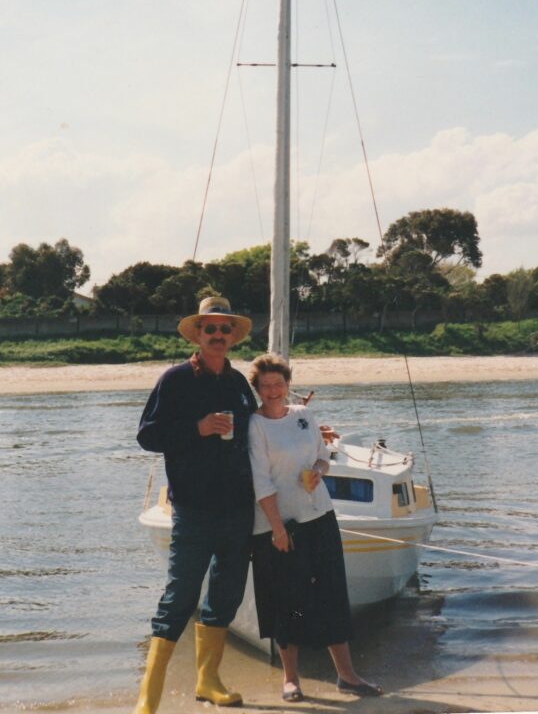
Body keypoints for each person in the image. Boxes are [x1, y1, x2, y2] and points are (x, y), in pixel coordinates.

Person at [132, 297, 256, 714]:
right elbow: (147, 436)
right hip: (194, 508)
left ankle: (208, 680)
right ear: (198, 335)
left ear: (232, 337)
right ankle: (148, 697)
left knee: (226, 593)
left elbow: (256, 432)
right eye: (211, 329)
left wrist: (302, 428)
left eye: (225, 330)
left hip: (238, 507)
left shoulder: (239, 383)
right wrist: (197, 428)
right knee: (179, 596)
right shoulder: (176, 380)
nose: (218, 336)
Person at [248, 353, 383, 703]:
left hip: (320, 518)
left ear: (288, 384)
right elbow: (260, 481)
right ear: (258, 389)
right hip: (280, 527)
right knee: (288, 602)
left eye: (279, 384)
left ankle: (347, 676)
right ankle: (291, 679)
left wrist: (319, 472)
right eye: (266, 386)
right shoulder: (255, 425)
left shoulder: (304, 415)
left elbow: (324, 456)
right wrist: (277, 528)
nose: (274, 391)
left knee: (332, 594)